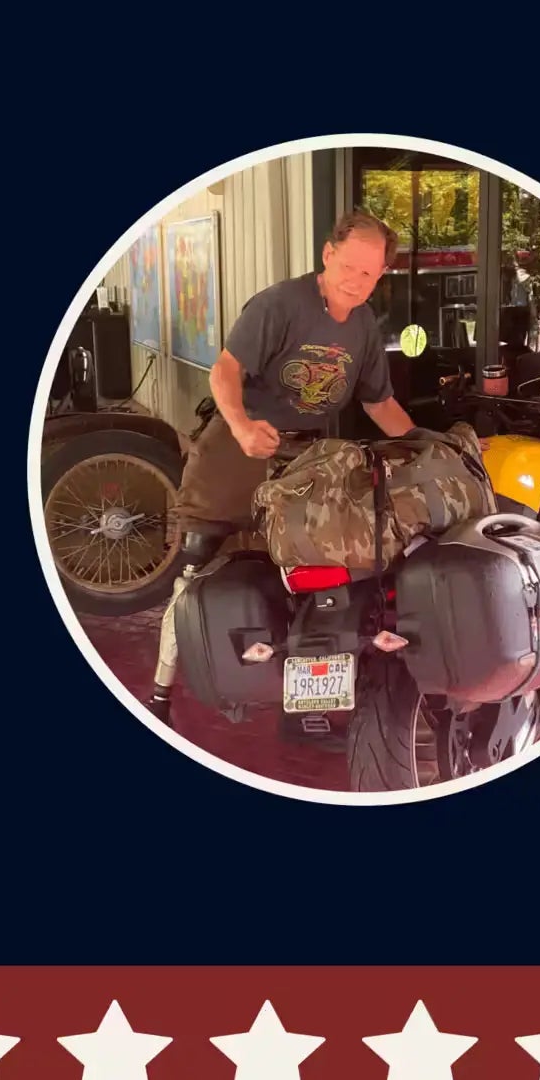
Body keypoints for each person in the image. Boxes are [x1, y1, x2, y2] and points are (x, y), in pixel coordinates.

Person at [149, 208, 417, 722]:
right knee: (197, 564)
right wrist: (244, 426)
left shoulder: (363, 326)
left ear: (381, 274)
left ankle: (299, 700)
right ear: (328, 254)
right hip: (236, 446)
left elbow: (379, 404)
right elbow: (224, 372)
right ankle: (161, 692)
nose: (356, 279)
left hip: (303, 461)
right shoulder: (280, 304)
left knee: (305, 575)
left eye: (370, 272)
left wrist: (425, 444)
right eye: (350, 265)